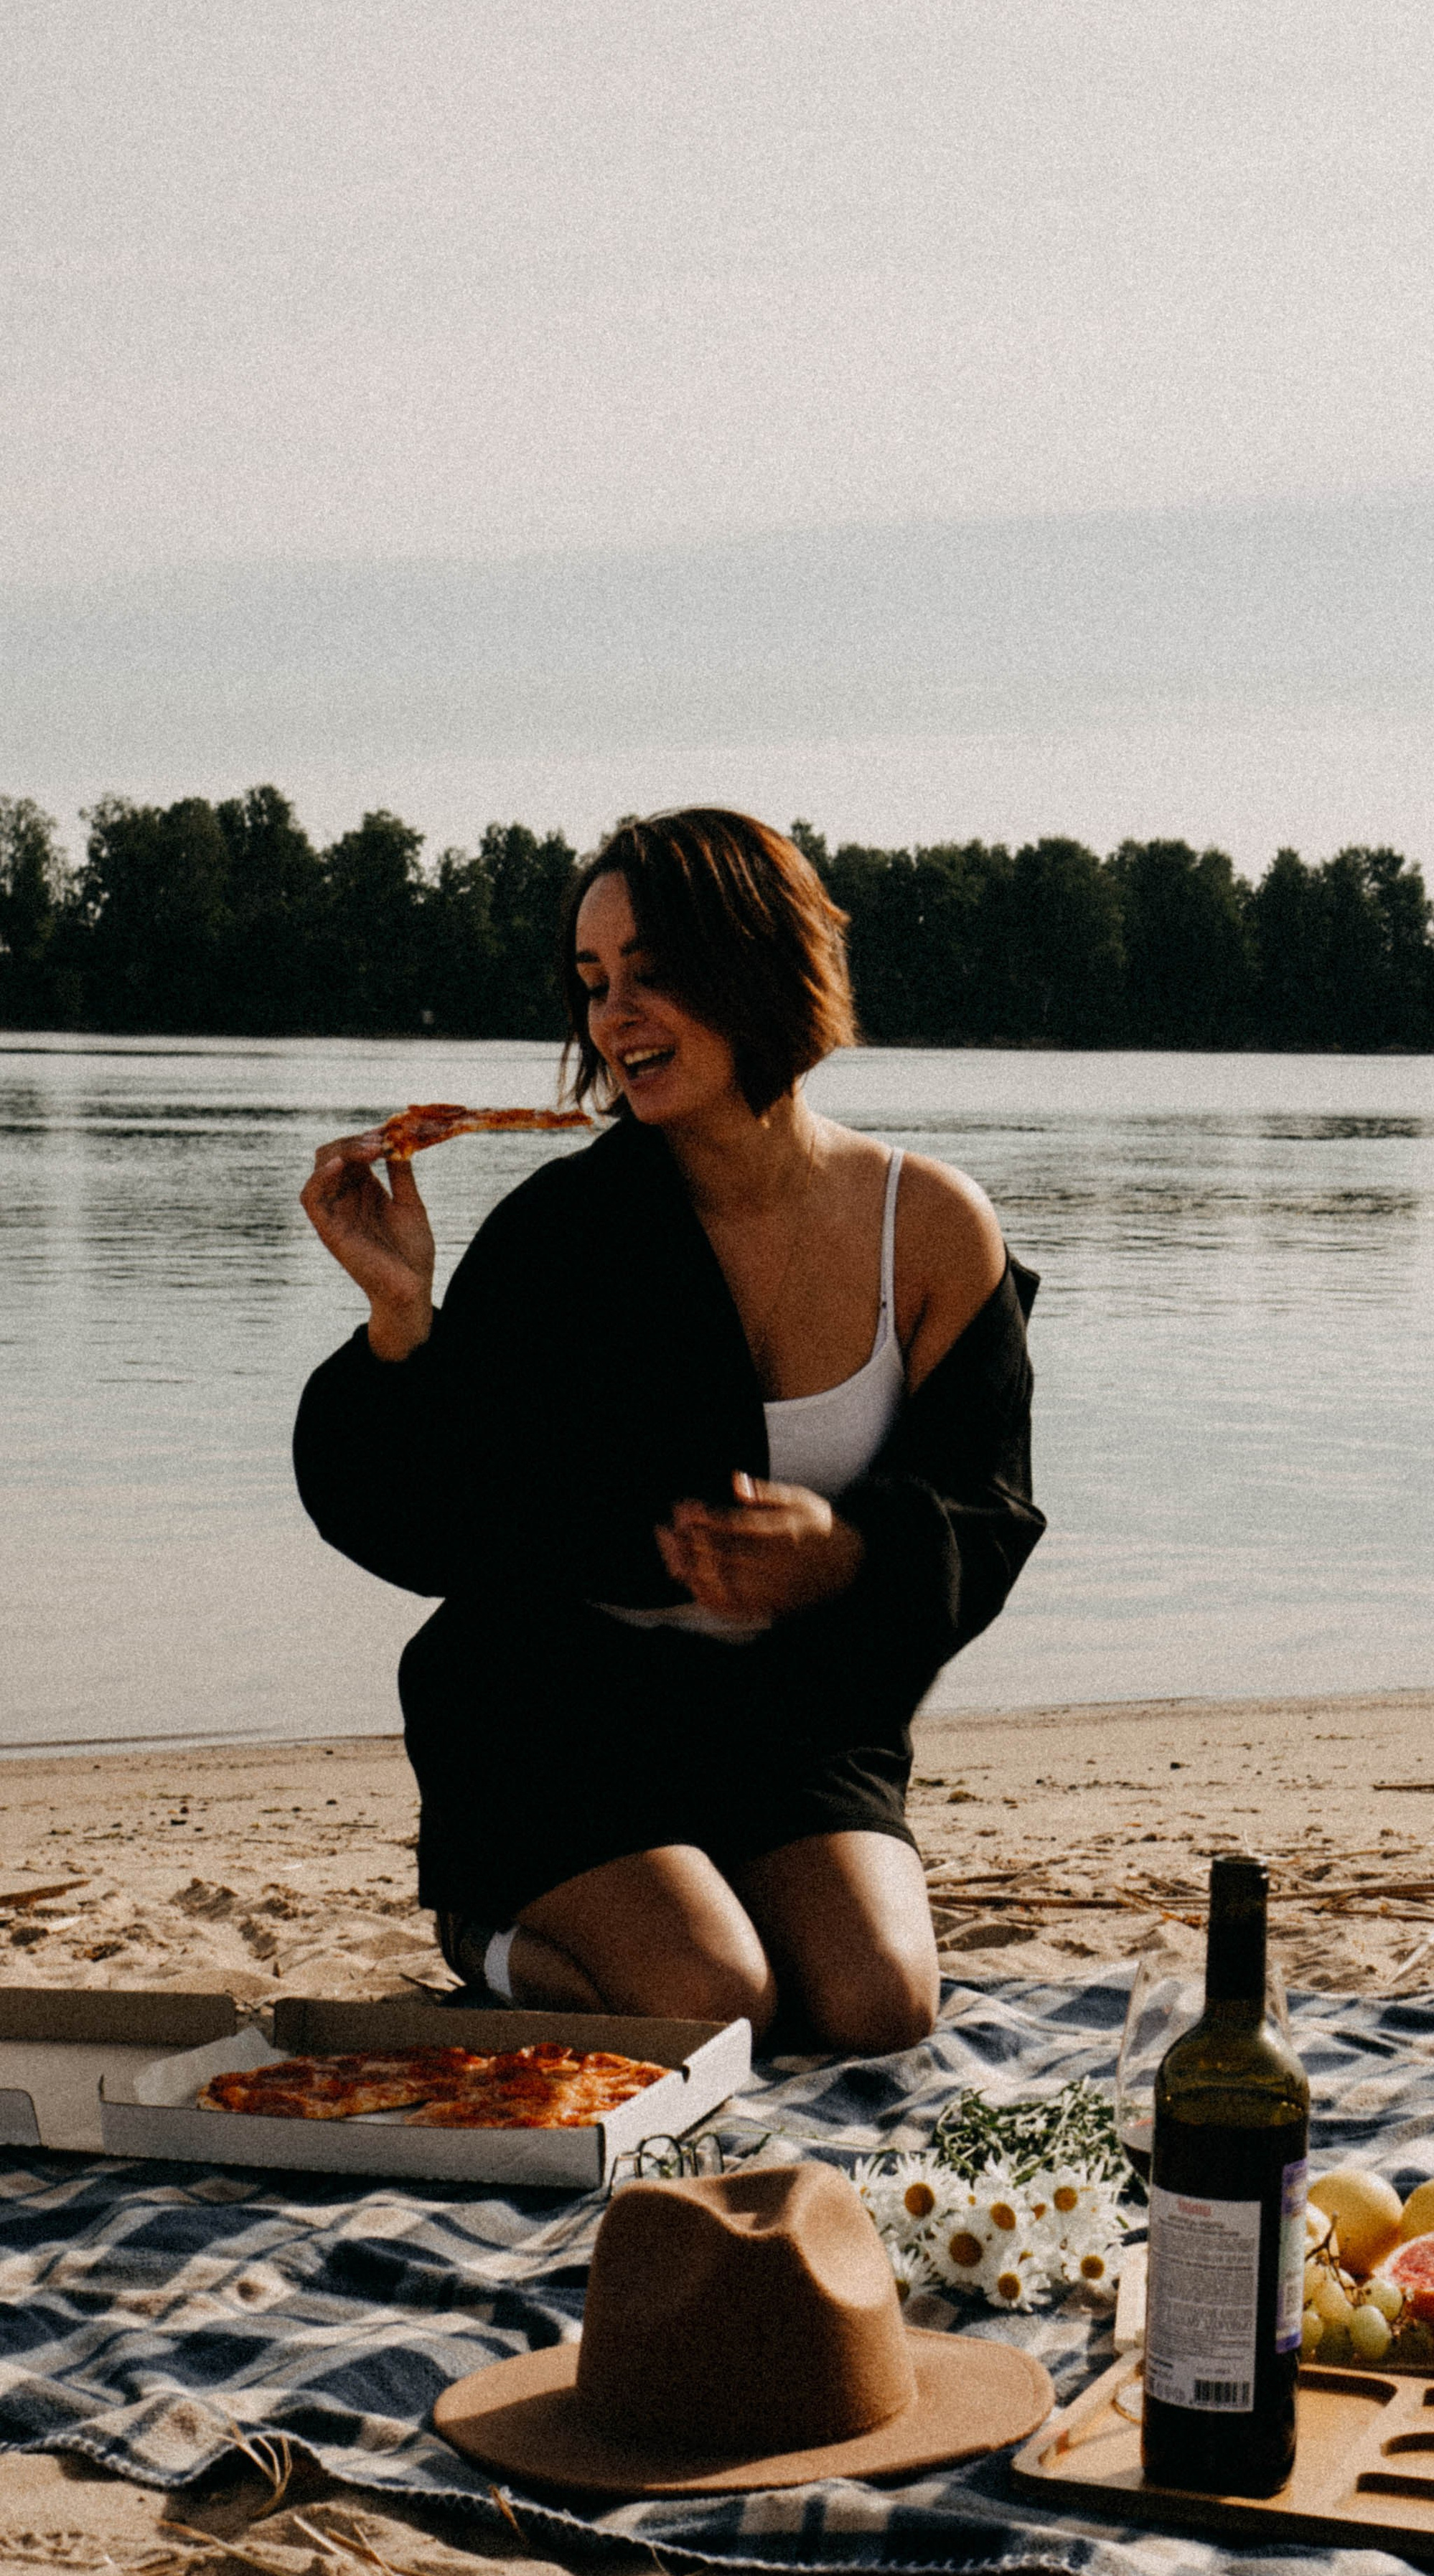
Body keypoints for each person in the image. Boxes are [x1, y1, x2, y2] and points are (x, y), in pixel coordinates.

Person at [294, 809, 1043, 2056]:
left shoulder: (935, 1226)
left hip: (797, 1717)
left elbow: (991, 1510)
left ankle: (705, 1905)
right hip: (560, 1709)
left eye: (650, 974)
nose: (613, 1019)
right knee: (716, 2007)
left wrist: (847, 1555)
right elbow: (434, 1524)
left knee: (876, 2008)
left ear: (760, 964)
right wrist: (401, 1322)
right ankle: (484, 1935)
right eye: (593, 986)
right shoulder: (560, 1236)